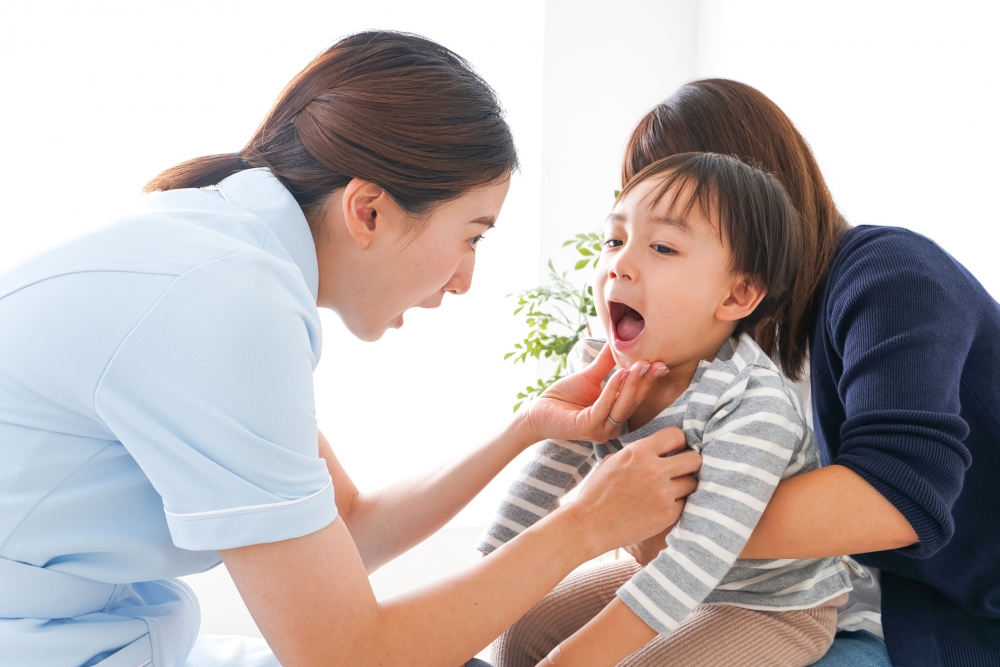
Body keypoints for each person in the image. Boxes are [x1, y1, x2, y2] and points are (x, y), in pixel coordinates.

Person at [0, 32, 704, 667]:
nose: (465, 279)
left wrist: (525, 427)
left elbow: (351, 530)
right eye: (472, 235)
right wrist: (585, 524)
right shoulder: (224, 304)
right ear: (367, 209)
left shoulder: (221, 254)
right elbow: (343, 655)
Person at [493, 79, 1000, 667]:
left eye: (668, 237)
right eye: (621, 231)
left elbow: (897, 495)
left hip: (921, 609)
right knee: (523, 631)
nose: (627, 261)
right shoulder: (713, 335)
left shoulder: (890, 276)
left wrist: (665, 532)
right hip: (746, 577)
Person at [480, 152, 855, 667]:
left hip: (771, 604)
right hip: (663, 571)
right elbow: (547, 473)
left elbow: (698, 556)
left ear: (738, 294)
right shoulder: (598, 364)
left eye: (661, 247)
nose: (620, 264)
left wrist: (571, 660)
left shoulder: (752, 404)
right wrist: (479, 583)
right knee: (519, 630)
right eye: (614, 240)